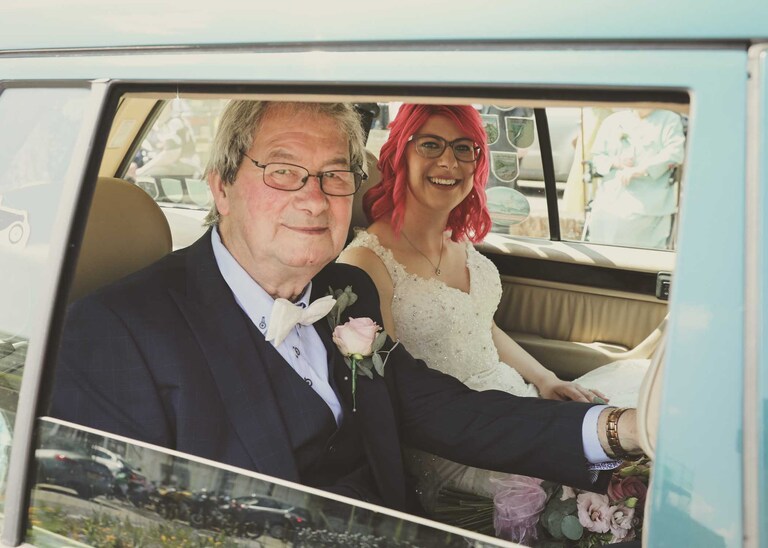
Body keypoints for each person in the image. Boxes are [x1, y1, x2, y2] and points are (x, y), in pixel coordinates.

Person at [52, 100, 642, 516]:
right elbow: (115, 523)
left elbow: (443, 409)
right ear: (222, 187)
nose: (314, 198)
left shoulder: (341, 288)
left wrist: (621, 429)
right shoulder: (112, 334)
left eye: (335, 175)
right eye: (284, 171)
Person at [337, 104, 650, 526]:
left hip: (512, 403)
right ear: (399, 155)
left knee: (638, 406)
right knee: (618, 491)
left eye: (464, 148)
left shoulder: (458, 244)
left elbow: (481, 325)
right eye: (430, 144)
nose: (448, 161)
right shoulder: (367, 262)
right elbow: (392, 390)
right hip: (452, 440)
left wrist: (544, 379)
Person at [585, 108, 685, 249]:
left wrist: (642, 169)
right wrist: (616, 162)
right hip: (609, 197)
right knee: (599, 226)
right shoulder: (613, 121)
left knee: (627, 232)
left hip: (648, 199)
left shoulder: (669, 119)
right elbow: (597, 157)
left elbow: (675, 153)